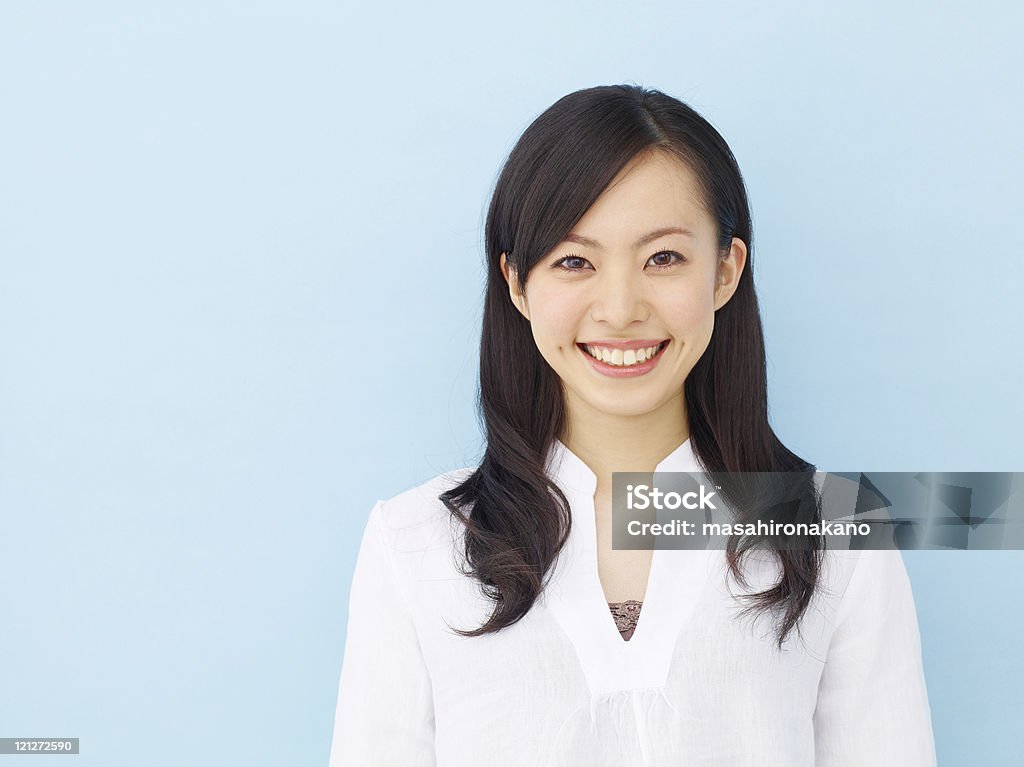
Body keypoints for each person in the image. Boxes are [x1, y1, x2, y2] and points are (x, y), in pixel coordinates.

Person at [327, 84, 936, 766]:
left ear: (726, 271)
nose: (620, 309)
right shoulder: (413, 543)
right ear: (517, 283)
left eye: (664, 258)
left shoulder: (838, 530)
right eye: (574, 261)